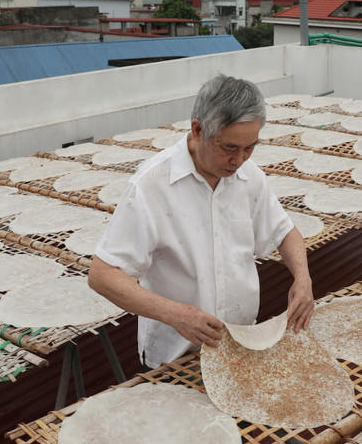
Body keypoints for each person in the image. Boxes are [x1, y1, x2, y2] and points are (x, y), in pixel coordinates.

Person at [87, 74, 314, 369]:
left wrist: (303, 278)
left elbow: (284, 232)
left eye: (250, 148)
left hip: (241, 347)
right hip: (176, 359)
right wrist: (174, 313)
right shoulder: (151, 185)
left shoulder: (249, 176)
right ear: (197, 129)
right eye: (229, 148)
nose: (239, 160)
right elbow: (102, 274)